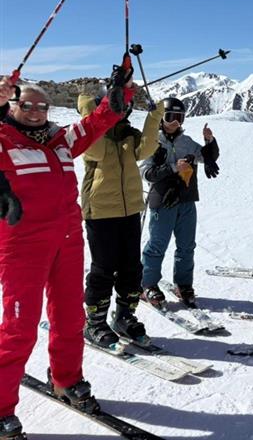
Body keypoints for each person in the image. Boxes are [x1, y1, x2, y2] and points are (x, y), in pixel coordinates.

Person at [0, 68, 134, 438]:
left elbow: (94, 124)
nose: (36, 111)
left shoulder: (59, 140)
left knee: (69, 317)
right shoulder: (3, 139)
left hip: (68, 240)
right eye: (27, 105)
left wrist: (117, 94)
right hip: (22, 247)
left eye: (42, 106)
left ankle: (66, 379)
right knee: (19, 329)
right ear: (12, 104)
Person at [78, 91, 164, 347]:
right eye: (117, 106)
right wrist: (90, 110)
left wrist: (154, 116)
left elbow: (146, 148)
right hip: (101, 210)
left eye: (125, 107)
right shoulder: (93, 131)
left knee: (131, 268)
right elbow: (93, 150)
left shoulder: (128, 133)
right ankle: (95, 323)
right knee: (103, 269)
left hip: (129, 210)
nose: (122, 111)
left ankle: (125, 316)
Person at [139, 98, 220, 308]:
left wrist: (210, 142)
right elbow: (144, 172)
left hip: (186, 199)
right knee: (157, 245)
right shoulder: (152, 141)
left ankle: (183, 284)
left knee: (186, 246)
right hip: (162, 200)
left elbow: (207, 156)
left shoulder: (187, 142)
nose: (175, 122)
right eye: (170, 117)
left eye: (179, 117)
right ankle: (147, 284)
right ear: (161, 118)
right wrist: (172, 167)